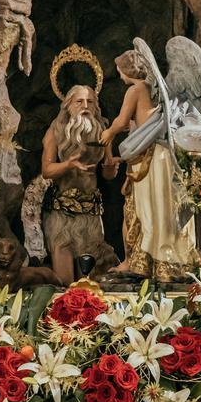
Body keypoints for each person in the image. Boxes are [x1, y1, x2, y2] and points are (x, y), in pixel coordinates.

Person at [101, 43, 197, 281]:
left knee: (142, 209)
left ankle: (139, 260)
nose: (119, 75)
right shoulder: (153, 89)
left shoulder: (135, 90)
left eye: (119, 70)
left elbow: (122, 122)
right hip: (158, 154)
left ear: (127, 70)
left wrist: (108, 134)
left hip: (150, 157)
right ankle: (162, 260)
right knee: (160, 208)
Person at [41, 84, 121, 284]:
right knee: (65, 281)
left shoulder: (103, 131)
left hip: (91, 215)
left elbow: (108, 173)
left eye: (90, 102)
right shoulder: (56, 131)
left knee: (91, 281)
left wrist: (111, 167)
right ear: (68, 106)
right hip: (62, 215)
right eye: (79, 101)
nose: (85, 106)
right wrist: (68, 164)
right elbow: (47, 171)